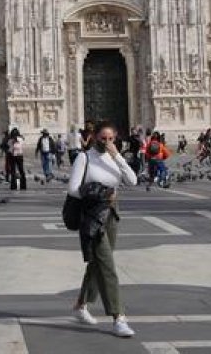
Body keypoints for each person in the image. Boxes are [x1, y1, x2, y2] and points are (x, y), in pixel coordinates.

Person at [69, 121, 137, 338]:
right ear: (94, 137)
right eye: (103, 138)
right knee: (107, 266)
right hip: (92, 216)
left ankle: (81, 304)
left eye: (111, 139)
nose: (107, 142)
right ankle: (119, 318)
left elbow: (132, 181)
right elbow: (73, 189)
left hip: (111, 216)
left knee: (98, 264)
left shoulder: (113, 158)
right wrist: (101, 193)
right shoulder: (84, 157)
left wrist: (117, 156)